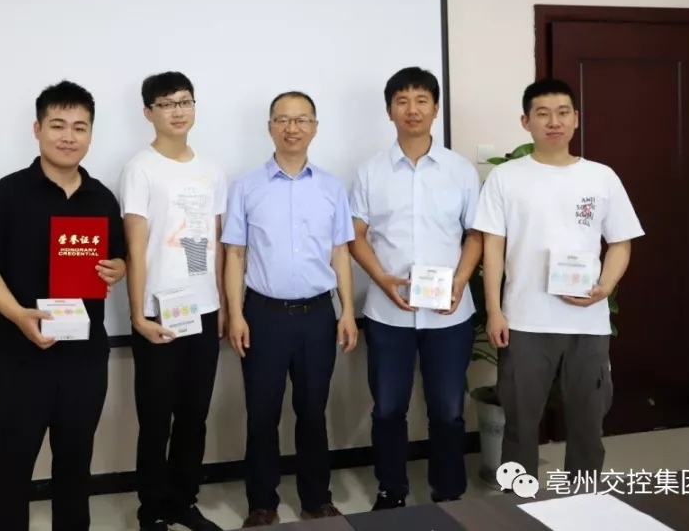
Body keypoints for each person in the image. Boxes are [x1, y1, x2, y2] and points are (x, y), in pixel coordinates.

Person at [0, 80, 128, 531]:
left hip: (84, 358)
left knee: (75, 466)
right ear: (37, 129)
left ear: (90, 134)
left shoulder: (102, 199)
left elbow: (117, 260)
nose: (68, 136)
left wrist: (118, 268)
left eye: (80, 127)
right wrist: (18, 314)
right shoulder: (7, 193)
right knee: (12, 466)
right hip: (23, 356)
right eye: (58, 125)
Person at [473, 78, 643, 483]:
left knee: (588, 424)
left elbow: (621, 243)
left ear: (576, 119)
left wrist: (605, 287)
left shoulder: (601, 177)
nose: (554, 122)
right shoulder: (506, 178)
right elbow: (492, 247)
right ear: (526, 121)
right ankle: (518, 503)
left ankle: (582, 501)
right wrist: (495, 310)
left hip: (587, 323)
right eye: (543, 114)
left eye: (563, 113)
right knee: (520, 424)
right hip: (525, 321)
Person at [222, 91, 359, 527]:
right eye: (282, 119)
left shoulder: (331, 187)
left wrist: (347, 310)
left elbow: (340, 252)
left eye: (301, 119)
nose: (292, 128)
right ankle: (261, 503)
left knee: (313, 412)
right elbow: (234, 254)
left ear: (314, 127)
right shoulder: (246, 186)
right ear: (270, 128)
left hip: (318, 316)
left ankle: (316, 499)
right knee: (262, 414)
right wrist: (236, 314)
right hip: (263, 316)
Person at [348, 67, 482, 510]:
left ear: (436, 108)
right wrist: (381, 279)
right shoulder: (370, 172)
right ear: (389, 111)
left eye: (422, 100)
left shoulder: (460, 170)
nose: (412, 109)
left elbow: (476, 234)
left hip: (450, 315)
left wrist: (460, 281)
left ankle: (449, 492)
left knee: (448, 410)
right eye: (402, 101)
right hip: (389, 313)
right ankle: (392, 491)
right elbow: (355, 234)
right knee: (388, 409)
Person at [119, 72, 227, 531]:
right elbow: (135, 246)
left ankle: (184, 501)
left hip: (203, 310)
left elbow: (214, 243)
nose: (178, 111)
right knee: (155, 419)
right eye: (166, 104)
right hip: (157, 313)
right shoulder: (140, 168)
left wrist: (222, 306)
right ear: (149, 113)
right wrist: (137, 315)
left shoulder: (212, 169)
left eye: (185, 101)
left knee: (194, 416)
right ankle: (152, 509)